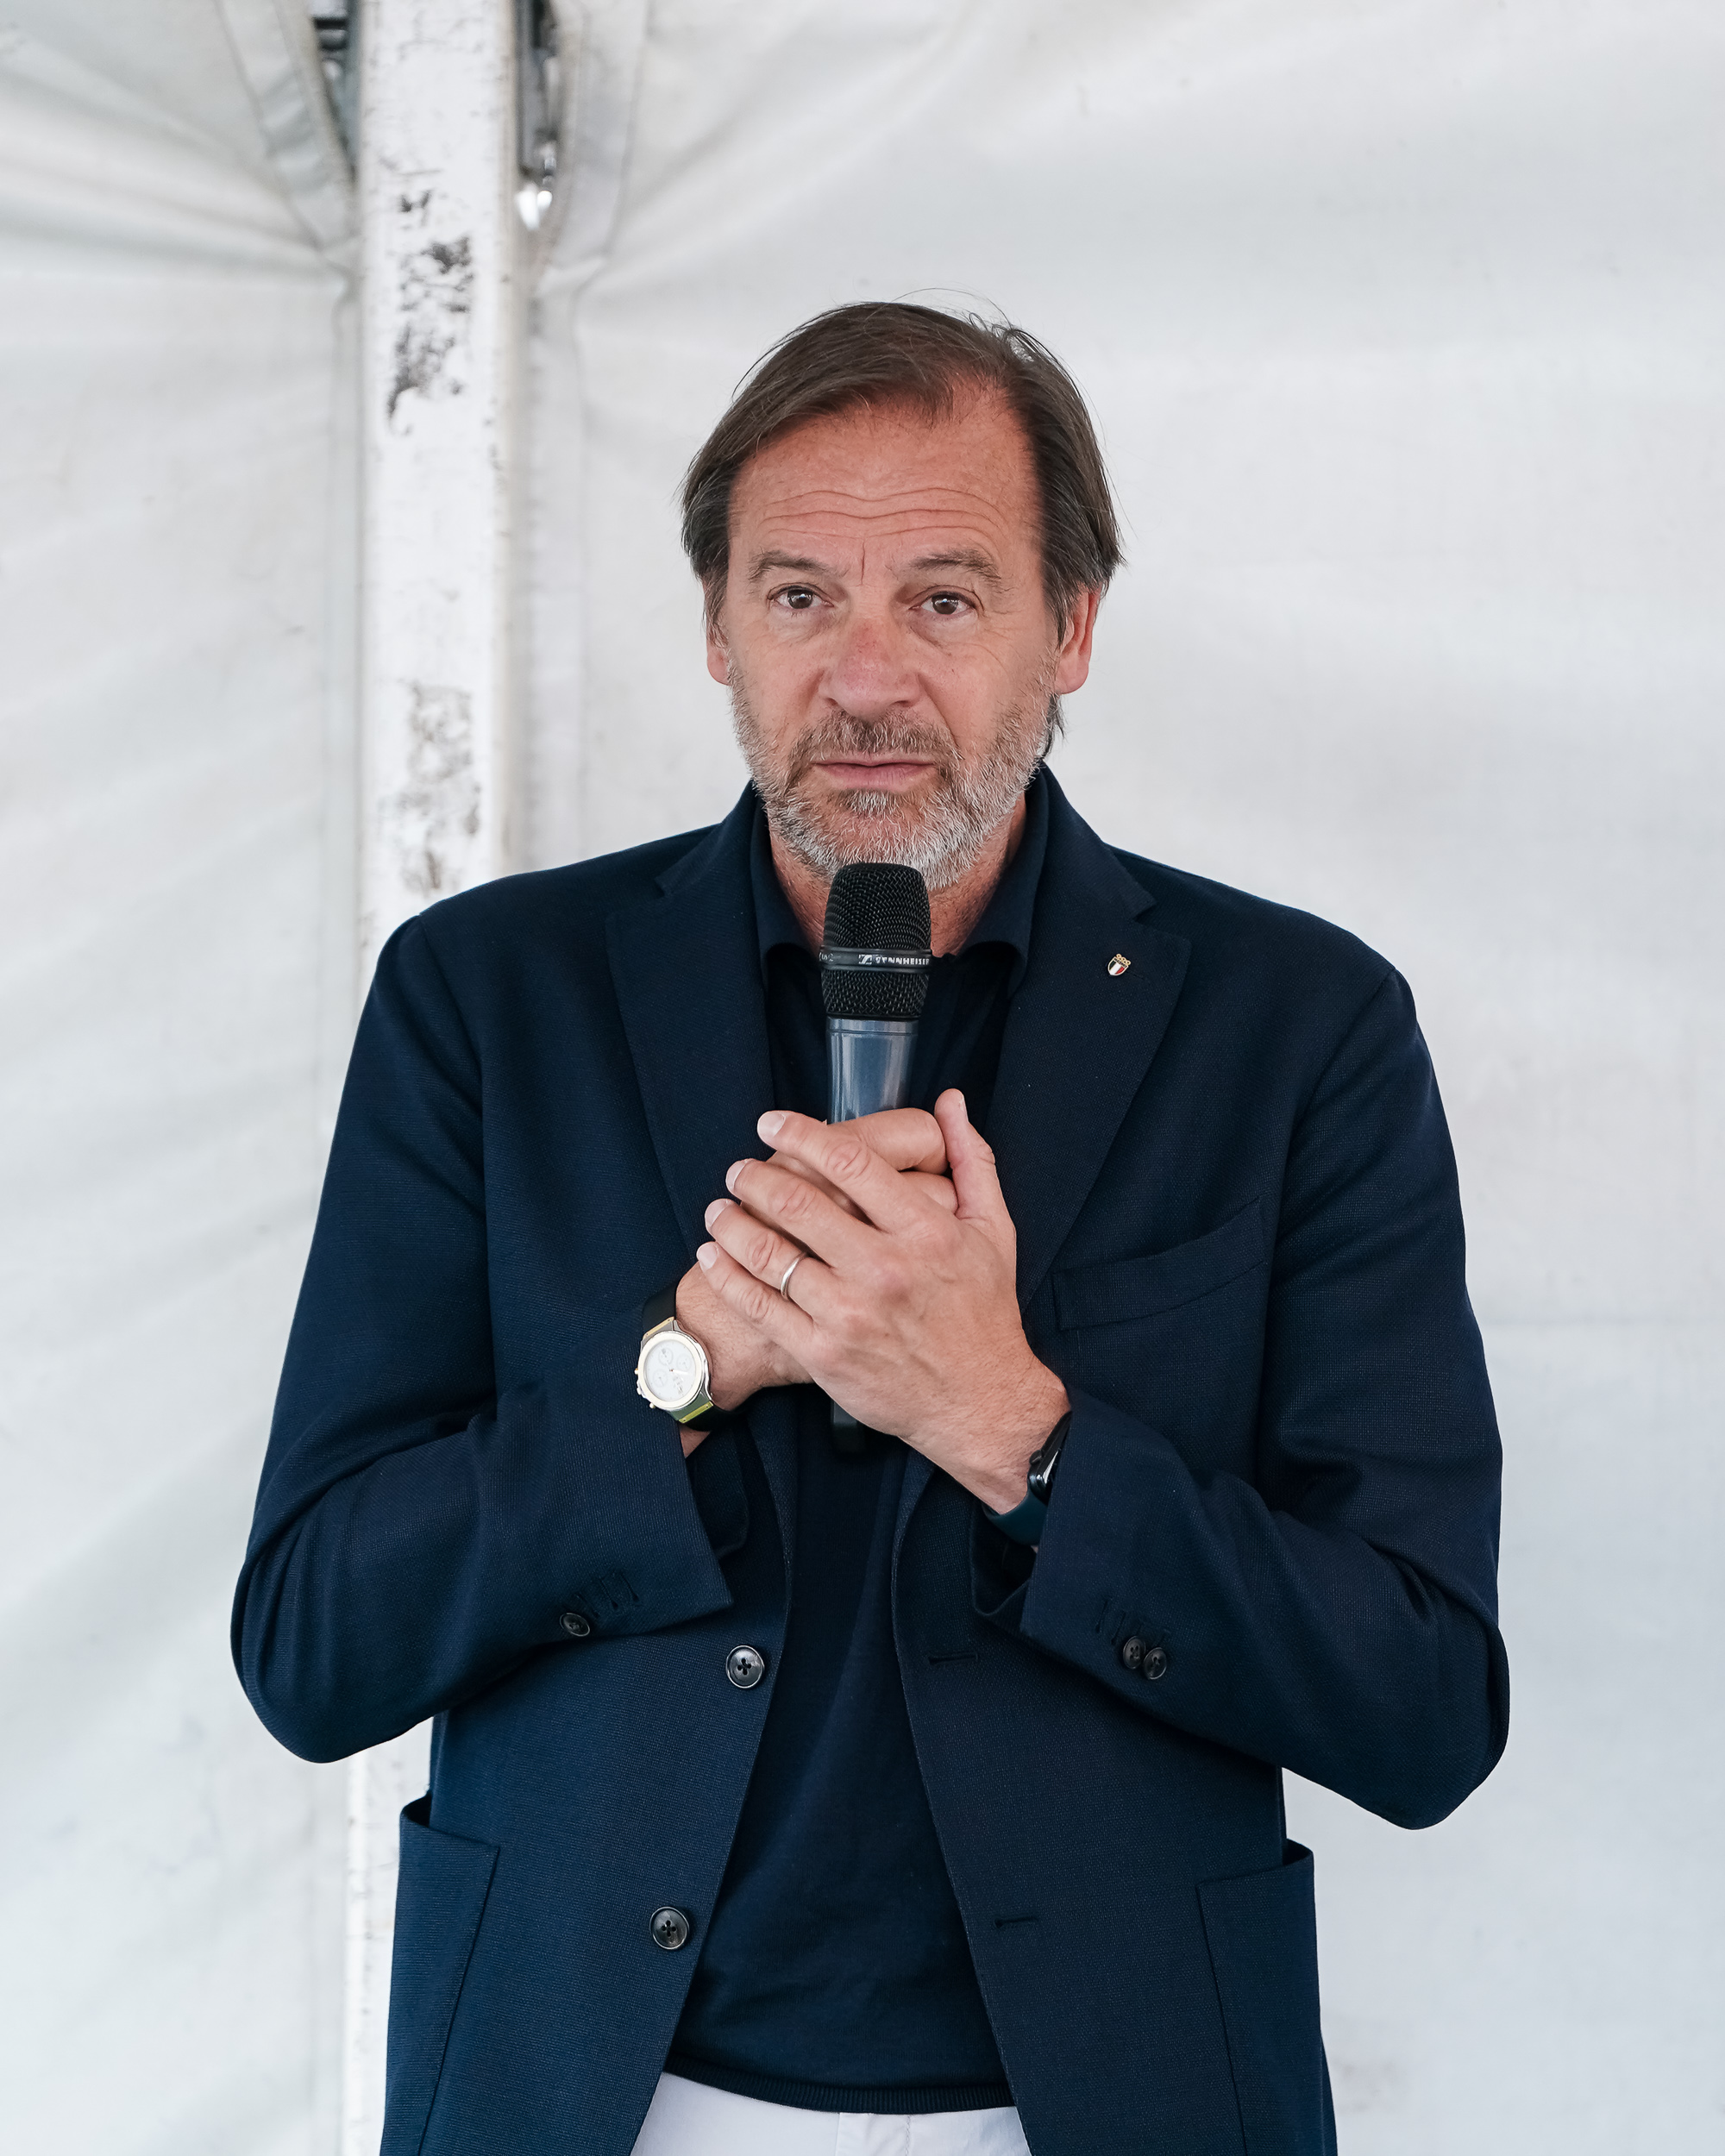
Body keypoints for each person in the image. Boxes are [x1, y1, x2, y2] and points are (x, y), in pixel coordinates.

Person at [234, 303, 1508, 2156]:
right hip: (589, 2090)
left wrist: (1017, 1430)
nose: (863, 677)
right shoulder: (489, 1001)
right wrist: (687, 1370)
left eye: (943, 597)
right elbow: (313, 1643)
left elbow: (1421, 1702)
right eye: (798, 595)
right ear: (717, 628)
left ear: (1071, 629)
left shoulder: (1297, 1031)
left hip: (1115, 2097)